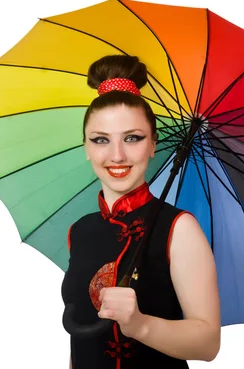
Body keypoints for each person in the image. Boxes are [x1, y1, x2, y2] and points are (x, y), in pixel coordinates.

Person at [61, 55, 221, 369]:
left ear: (153, 144)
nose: (116, 155)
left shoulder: (179, 227)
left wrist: (140, 325)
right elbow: (81, 336)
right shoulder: (78, 230)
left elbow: (208, 343)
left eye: (132, 138)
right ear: (86, 147)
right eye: (101, 140)